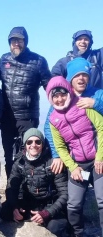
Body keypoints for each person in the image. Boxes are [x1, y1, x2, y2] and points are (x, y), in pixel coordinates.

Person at [46, 76, 103, 237]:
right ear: (50, 98)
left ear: (68, 92)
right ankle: (79, 234)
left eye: (62, 94)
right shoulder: (53, 120)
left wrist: (100, 157)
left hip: (97, 161)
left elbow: (102, 127)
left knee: (102, 201)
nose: (59, 99)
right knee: (73, 205)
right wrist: (73, 167)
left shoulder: (82, 105)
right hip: (79, 166)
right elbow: (60, 147)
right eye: (55, 96)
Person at [0, 26, 51, 177]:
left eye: (19, 40)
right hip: (6, 117)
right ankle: (11, 192)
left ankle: (28, 193)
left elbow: (50, 86)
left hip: (27, 117)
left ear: (25, 41)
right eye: (13, 40)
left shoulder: (38, 61)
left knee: (28, 155)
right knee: (8, 156)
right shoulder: (4, 59)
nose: (16, 43)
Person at [0, 128, 68, 237]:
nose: (34, 145)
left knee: (54, 227)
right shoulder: (20, 163)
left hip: (48, 204)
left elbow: (65, 194)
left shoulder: (53, 163)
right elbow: (11, 188)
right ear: (25, 145)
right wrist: (15, 207)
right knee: (4, 212)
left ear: (43, 144)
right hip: (28, 203)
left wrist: (48, 213)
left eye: (38, 142)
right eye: (29, 142)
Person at [45, 57, 103, 174]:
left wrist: (96, 104)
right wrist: (57, 155)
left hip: (99, 152)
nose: (81, 78)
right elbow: (49, 127)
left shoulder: (97, 94)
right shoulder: (62, 97)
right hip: (76, 157)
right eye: (77, 75)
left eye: (84, 75)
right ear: (70, 78)